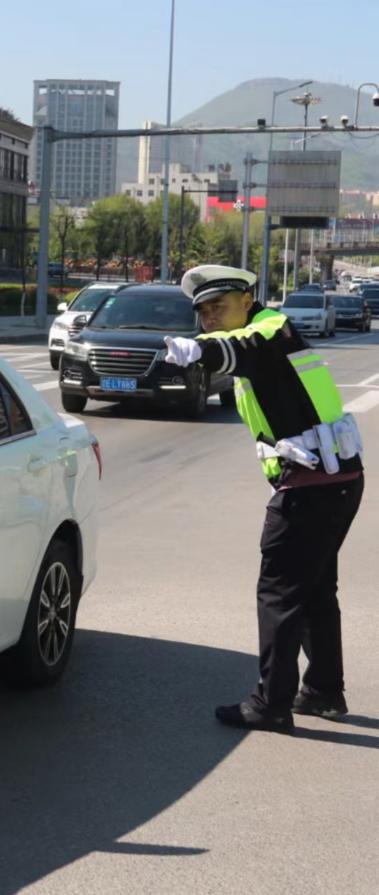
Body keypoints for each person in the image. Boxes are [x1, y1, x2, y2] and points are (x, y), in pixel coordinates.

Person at [165, 264, 364, 733]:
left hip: (308, 490)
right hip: (333, 482)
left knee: (279, 593)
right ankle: (323, 692)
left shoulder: (268, 329)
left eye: (219, 306)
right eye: (203, 312)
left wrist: (200, 349)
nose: (210, 317)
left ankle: (271, 703)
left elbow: (241, 348)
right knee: (315, 590)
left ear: (247, 300)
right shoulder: (266, 339)